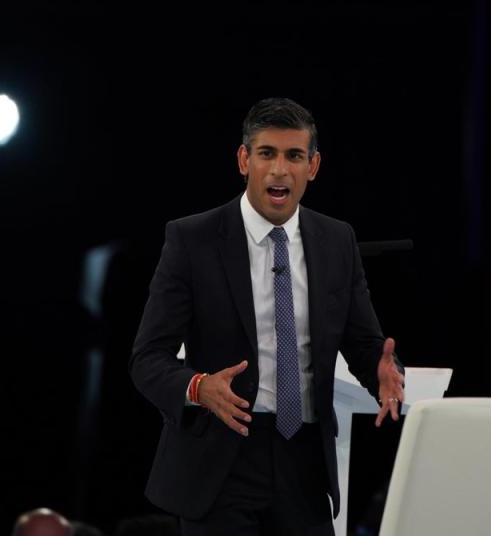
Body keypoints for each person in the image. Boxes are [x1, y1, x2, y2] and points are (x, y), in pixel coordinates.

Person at [129, 98, 405, 535]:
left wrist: (383, 371)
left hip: (305, 461)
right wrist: (199, 388)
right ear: (244, 160)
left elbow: (364, 343)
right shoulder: (192, 240)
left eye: (294, 156)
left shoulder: (336, 240)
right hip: (222, 457)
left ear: (312, 166)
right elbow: (148, 359)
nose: (280, 169)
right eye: (267, 154)